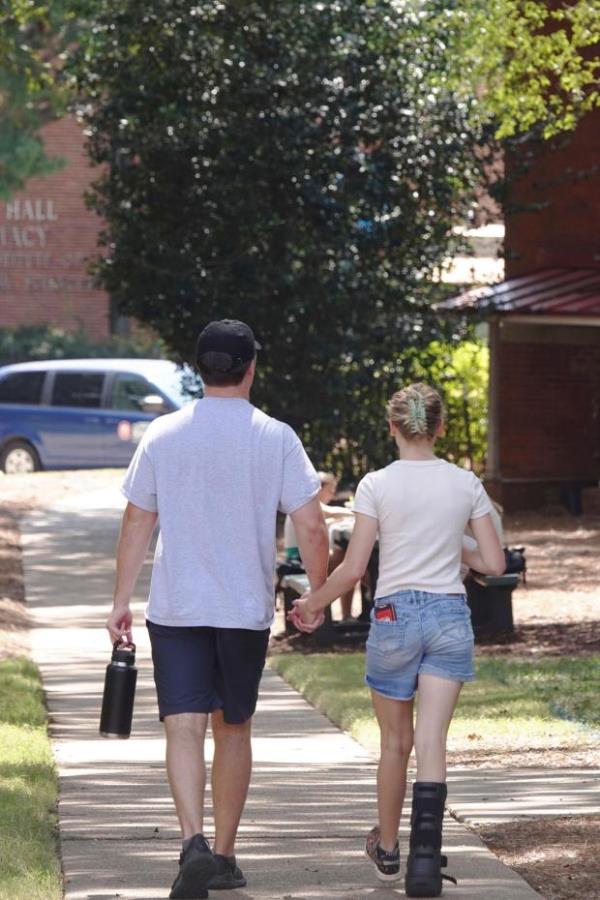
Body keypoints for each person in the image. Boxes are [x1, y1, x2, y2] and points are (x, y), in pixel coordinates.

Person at [106, 319, 329, 899]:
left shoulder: (163, 434)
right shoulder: (275, 437)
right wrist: (317, 594)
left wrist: (120, 601)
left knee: (182, 726)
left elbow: (137, 521)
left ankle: (192, 845)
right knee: (232, 727)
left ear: (200, 369)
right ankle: (223, 856)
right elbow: (310, 522)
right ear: (251, 367)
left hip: (176, 606)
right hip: (242, 609)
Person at [291, 383, 504, 897]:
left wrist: (312, 603)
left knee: (395, 743)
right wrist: (455, 543)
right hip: (450, 615)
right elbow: (494, 564)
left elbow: (355, 569)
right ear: (440, 427)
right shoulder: (464, 483)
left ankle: (388, 848)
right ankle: (426, 863)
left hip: (393, 616)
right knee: (431, 742)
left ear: (392, 427)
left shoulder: (376, 484)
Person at [283, 471, 357, 619]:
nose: (333, 495)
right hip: (299, 560)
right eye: (331, 490)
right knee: (346, 563)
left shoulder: (304, 504)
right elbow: (329, 513)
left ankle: (349, 615)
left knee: (346, 560)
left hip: (299, 556)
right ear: (319, 489)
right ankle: (348, 614)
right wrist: (356, 512)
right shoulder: (307, 503)